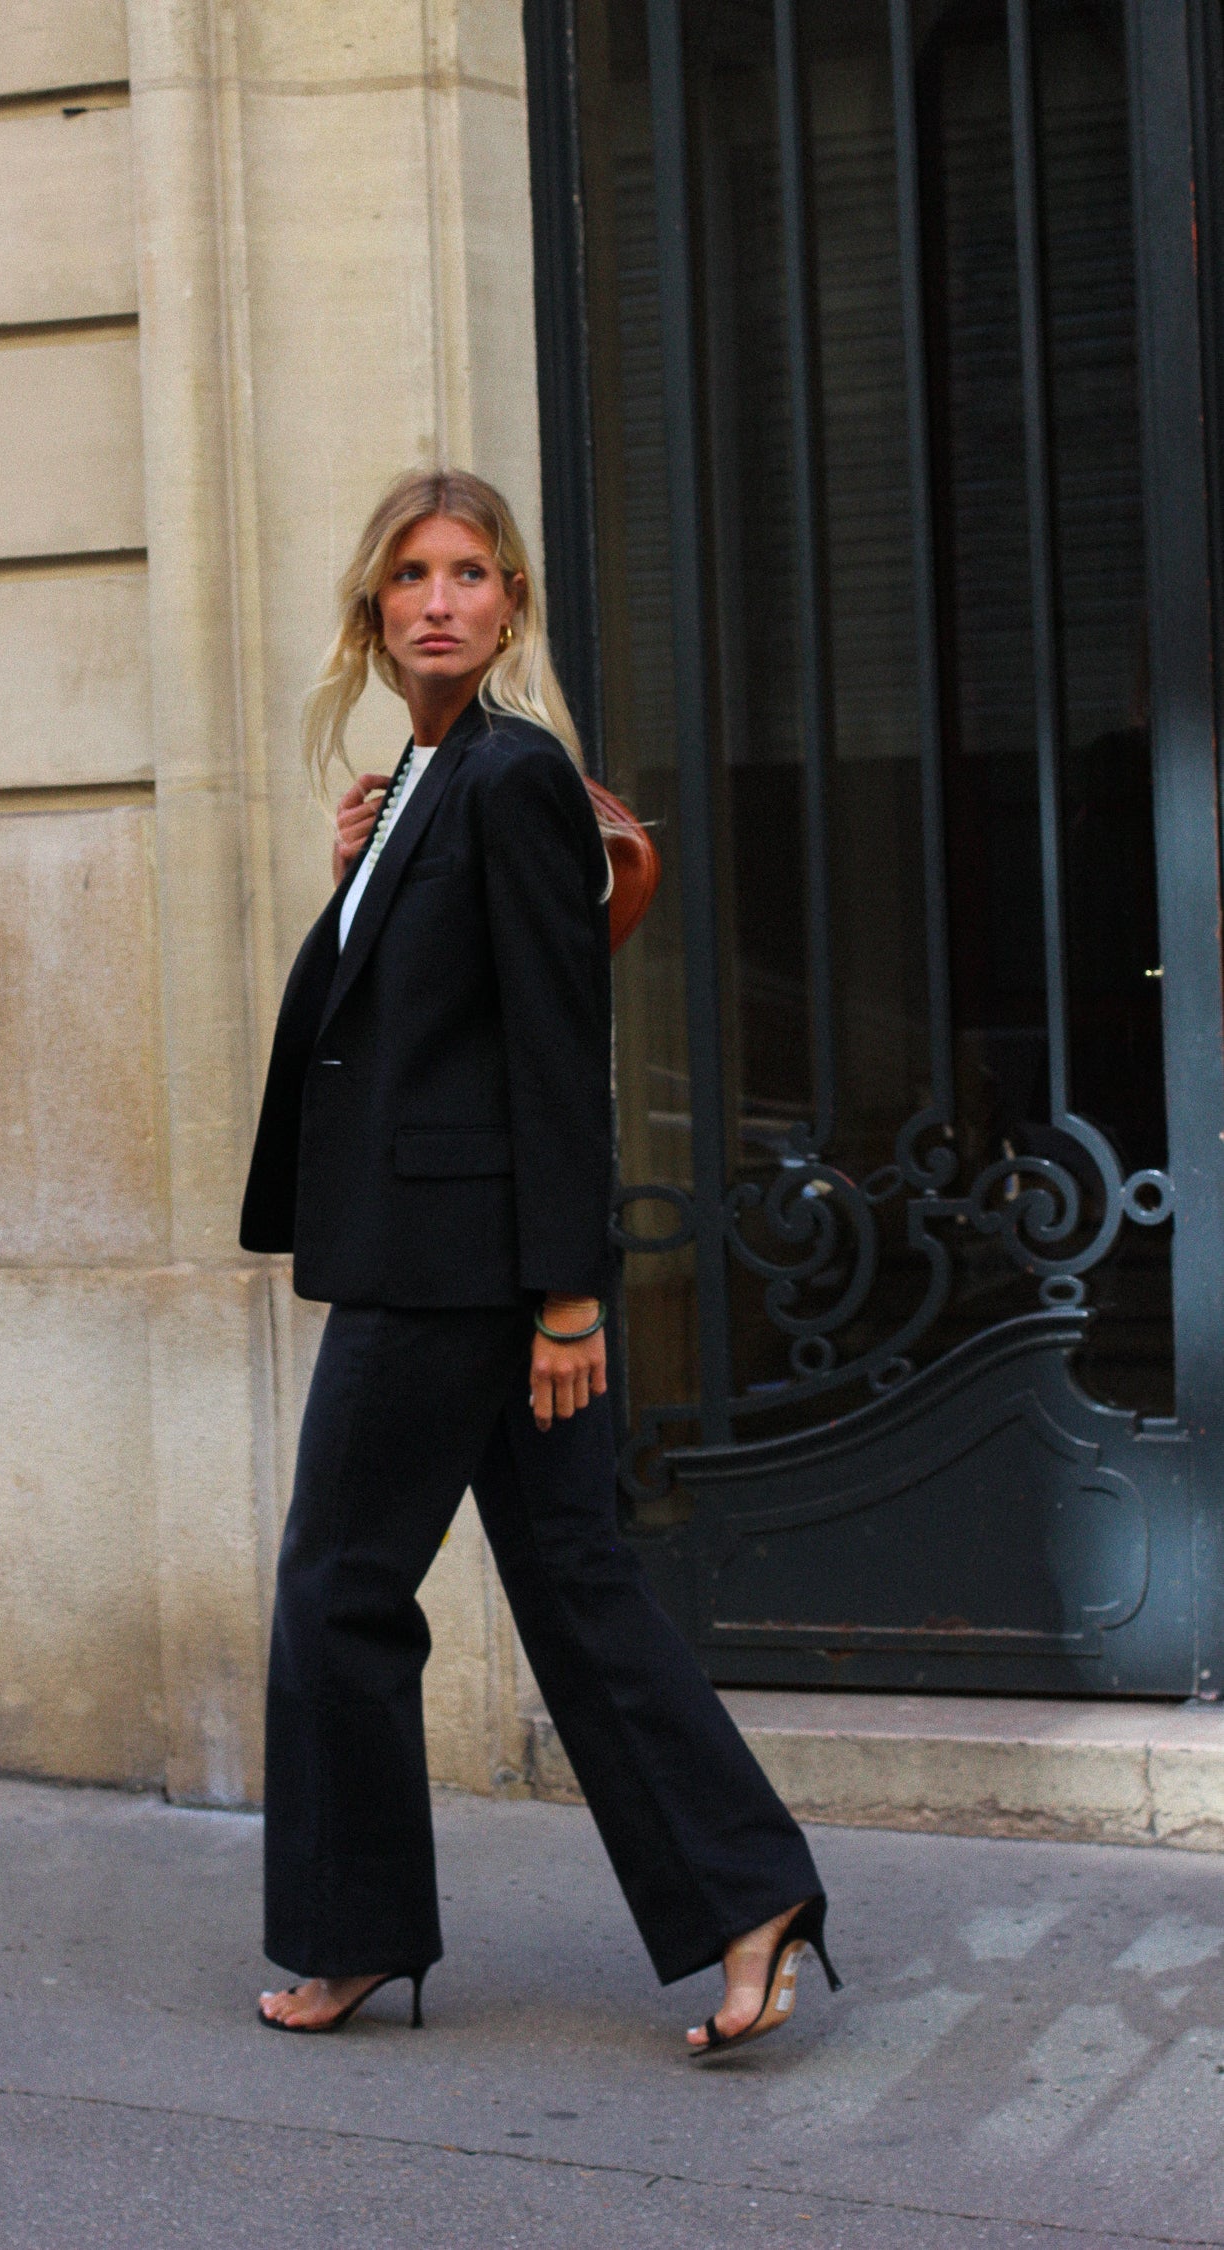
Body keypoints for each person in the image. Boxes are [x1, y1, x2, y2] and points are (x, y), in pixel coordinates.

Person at [240, 468, 839, 2060]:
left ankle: (350, 1928)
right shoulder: (432, 781)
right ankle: (750, 1896)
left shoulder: (509, 776)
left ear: (509, 608)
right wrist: (362, 864)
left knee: (338, 1587)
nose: (442, 599)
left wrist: (572, 1292)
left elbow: (561, 1049)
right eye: (413, 576)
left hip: (457, 1272)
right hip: (471, 1255)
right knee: (576, 1583)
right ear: (374, 608)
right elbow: (398, 1018)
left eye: (474, 574)